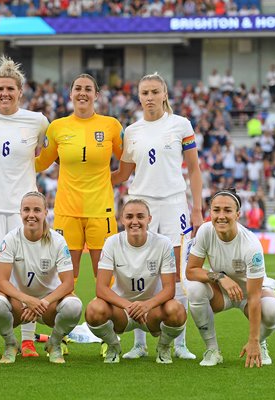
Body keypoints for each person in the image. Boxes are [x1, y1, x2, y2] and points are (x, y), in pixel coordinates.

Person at [112, 72, 202, 360]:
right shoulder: (132, 131)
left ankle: (179, 343)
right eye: (144, 92)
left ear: (165, 95)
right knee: (139, 272)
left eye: (154, 92)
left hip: (174, 204)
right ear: (138, 97)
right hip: (140, 204)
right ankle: (139, 344)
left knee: (177, 275)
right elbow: (123, 175)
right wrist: (86, 177)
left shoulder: (181, 125)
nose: (149, 97)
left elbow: (194, 169)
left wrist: (197, 209)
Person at [0, 56, 49, 357]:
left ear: (20, 92)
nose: (4, 93)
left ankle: (27, 339)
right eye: (0, 88)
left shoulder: (37, 120)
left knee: (26, 276)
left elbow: (54, 151)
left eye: (10, 89)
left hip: (23, 210)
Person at [36, 73, 123, 281]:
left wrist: (105, 181)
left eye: (87, 89)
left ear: (97, 95)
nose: (82, 93)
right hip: (67, 211)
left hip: (101, 211)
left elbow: (129, 162)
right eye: (78, 88)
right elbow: (41, 163)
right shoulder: (57, 127)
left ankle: (109, 314)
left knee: (107, 280)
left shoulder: (111, 125)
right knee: (65, 280)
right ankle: (67, 314)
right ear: (71, 93)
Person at [186, 189, 275, 367]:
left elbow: (253, 297)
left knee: (273, 310)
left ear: (238, 215)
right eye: (216, 210)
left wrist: (253, 339)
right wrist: (220, 277)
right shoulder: (206, 231)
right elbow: (191, 271)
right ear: (210, 212)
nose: (221, 216)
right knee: (194, 289)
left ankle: (260, 343)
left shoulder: (251, 245)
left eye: (227, 210)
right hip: (222, 293)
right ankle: (212, 350)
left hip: (249, 295)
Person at [85, 199, 187, 364]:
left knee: (177, 310)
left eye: (140, 216)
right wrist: (128, 306)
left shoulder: (163, 243)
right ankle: (113, 345)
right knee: (94, 309)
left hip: (151, 312)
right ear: (122, 219)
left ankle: (164, 346)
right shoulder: (112, 242)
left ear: (149, 219)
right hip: (122, 312)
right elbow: (101, 288)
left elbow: (169, 289)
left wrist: (147, 305)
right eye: (129, 217)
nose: (135, 221)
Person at [0, 192, 82, 364]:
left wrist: (43, 302)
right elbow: (1, 281)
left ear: (46, 212)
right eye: (27, 210)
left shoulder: (57, 241)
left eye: (37, 210)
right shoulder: (11, 239)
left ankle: (54, 344)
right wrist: (28, 300)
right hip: (18, 303)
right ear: (20, 212)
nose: (31, 215)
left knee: (74, 306)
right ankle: (11, 344)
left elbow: (68, 283)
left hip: (49, 304)